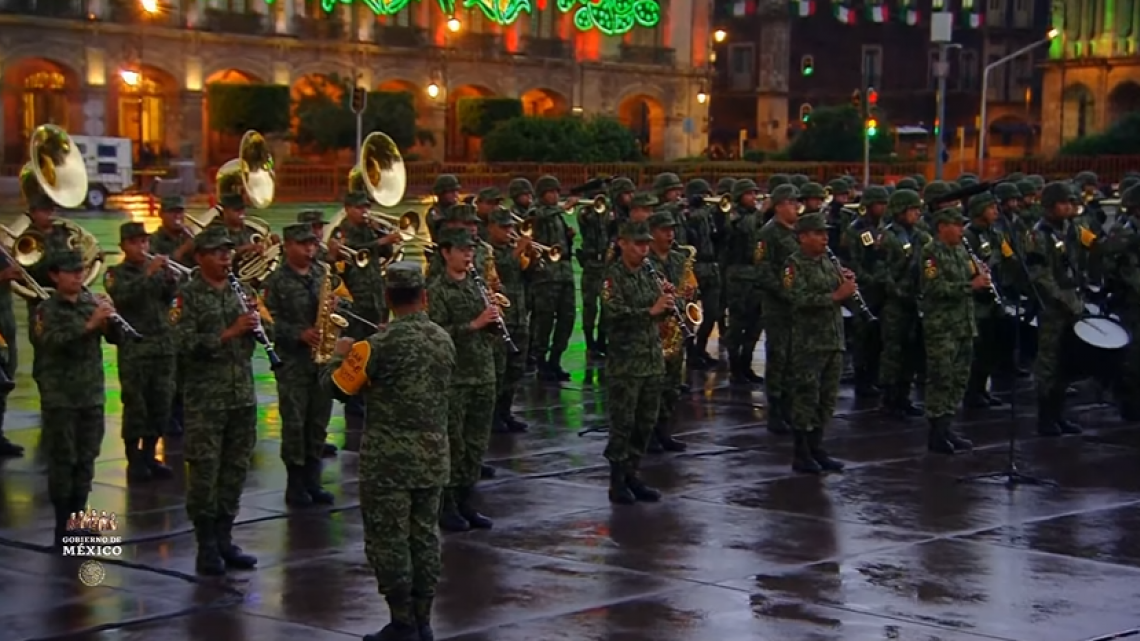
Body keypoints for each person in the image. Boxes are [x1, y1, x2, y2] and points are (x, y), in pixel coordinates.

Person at [324, 262, 455, 641]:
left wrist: (339, 354)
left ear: (388, 299)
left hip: (388, 464)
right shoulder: (443, 339)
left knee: (389, 541)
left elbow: (337, 388)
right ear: (424, 297)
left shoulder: (377, 346)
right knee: (425, 537)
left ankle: (401, 621)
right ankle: (423, 620)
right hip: (433, 458)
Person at [173, 226, 269, 575]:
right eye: (217, 252)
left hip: (241, 395)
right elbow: (182, 343)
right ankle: (206, 545)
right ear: (200, 257)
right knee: (205, 472)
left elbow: (257, 338)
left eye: (228, 251)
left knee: (235, 469)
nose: (225, 257)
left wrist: (256, 324)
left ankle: (225, 537)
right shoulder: (187, 295)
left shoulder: (240, 290)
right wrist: (229, 332)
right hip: (206, 400)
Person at [35, 250, 122, 547]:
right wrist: (89, 325)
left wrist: (110, 319)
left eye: (80, 271)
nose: (78, 276)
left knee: (86, 459)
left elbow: (116, 339)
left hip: (90, 394)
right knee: (63, 461)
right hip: (61, 397)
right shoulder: (46, 309)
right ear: (54, 275)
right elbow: (49, 342)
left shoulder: (90, 303)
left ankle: (78, 520)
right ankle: (62, 527)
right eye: (71, 272)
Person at [262, 223, 340, 506]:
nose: (310, 248)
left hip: (320, 362)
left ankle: (313, 481)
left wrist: (334, 310)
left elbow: (340, 305)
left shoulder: (322, 273)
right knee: (295, 423)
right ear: (287, 246)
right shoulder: (276, 281)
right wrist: (298, 334)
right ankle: (295, 484)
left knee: (318, 423)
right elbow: (267, 321)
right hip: (293, 363)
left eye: (312, 244)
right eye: (303, 244)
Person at [427, 229, 497, 532]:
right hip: (456, 378)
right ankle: (447, 504)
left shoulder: (476, 284)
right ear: (446, 253)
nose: (469, 254)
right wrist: (475, 324)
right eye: (462, 249)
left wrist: (494, 321)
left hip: (483, 373)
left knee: (476, 444)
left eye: (471, 249)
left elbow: (486, 327)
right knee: (453, 445)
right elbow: (436, 333)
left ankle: (467, 500)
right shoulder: (437, 290)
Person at [603, 221, 672, 504]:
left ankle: (633, 473)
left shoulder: (649, 272)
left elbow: (659, 311)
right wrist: (650, 311)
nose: (644, 250)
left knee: (645, 422)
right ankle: (617, 480)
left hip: (652, 360)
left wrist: (668, 302)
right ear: (623, 243)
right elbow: (613, 313)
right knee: (624, 423)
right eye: (638, 244)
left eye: (646, 244)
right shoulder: (613, 277)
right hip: (626, 364)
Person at [104, 222, 178, 482]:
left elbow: (170, 298)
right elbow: (124, 297)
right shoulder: (115, 273)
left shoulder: (155, 270)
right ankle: (133, 458)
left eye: (144, 241)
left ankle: (149, 454)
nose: (141, 247)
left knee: (161, 404)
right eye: (134, 242)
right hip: (135, 349)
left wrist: (170, 279)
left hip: (163, 346)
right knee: (136, 405)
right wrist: (149, 272)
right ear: (123, 246)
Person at [782, 213, 853, 474]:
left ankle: (817, 446)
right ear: (803, 237)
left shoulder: (829, 261)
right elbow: (797, 298)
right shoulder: (794, 265)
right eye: (818, 233)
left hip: (833, 339)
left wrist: (847, 285)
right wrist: (835, 295)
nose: (825, 238)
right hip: (809, 342)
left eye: (826, 233)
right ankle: (801, 452)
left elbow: (841, 293)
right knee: (806, 397)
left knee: (827, 398)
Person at [921, 207, 990, 454]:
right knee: (941, 377)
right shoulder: (931, 253)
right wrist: (970, 286)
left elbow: (971, 275)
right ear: (942, 227)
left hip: (963, 324)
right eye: (956, 225)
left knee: (959, 378)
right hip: (943, 326)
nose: (961, 230)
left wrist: (981, 275)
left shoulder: (962, 249)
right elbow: (934, 288)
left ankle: (948, 425)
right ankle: (936, 432)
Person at [1025, 182, 1087, 436]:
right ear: (1049, 206)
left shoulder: (1069, 230)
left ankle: (1060, 414)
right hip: (1051, 307)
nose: (1068, 207)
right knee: (1049, 362)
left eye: (1070, 203)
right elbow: (1040, 274)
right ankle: (1046, 418)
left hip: (1072, 300)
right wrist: (1062, 299)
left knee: (1066, 360)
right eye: (1063, 203)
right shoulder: (1038, 235)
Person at [755, 184, 803, 433]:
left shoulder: (797, 231)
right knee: (778, 358)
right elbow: (763, 271)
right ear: (780, 205)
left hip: (797, 306)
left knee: (794, 359)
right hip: (778, 306)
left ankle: (789, 407)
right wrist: (786, 294)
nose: (796, 207)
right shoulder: (768, 233)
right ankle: (775, 411)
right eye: (792, 203)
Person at [878, 189, 929, 417]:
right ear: (900, 210)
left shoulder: (920, 236)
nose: (917, 213)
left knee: (911, 352)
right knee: (893, 351)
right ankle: (889, 399)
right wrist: (897, 292)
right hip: (895, 304)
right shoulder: (888, 237)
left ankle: (903, 396)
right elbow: (882, 271)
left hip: (915, 301)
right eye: (912, 209)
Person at [486, 208, 534, 432]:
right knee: (499, 369)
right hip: (501, 318)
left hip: (519, 314)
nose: (509, 232)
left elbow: (529, 275)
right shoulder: (488, 251)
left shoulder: (511, 249)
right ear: (491, 227)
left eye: (510, 227)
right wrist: (519, 249)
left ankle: (506, 411)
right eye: (504, 227)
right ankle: (493, 415)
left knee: (516, 368)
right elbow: (502, 268)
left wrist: (532, 256)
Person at [646, 212, 689, 452]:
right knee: (653, 386)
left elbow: (686, 289)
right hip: (653, 329)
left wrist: (687, 300)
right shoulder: (645, 261)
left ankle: (664, 431)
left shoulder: (679, 259)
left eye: (672, 229)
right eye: (664, 230)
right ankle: (648, 433)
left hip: (675, 328)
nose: (670, 234)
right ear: (651, 233)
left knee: (672, 386)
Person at [529, 175, 577, 382]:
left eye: (557, 191)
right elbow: (537, 217)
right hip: (546, 275)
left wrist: (569, 237)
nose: (555, 196)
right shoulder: (537, 212)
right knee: (545, 320)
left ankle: (555, 359)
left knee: (567, 317)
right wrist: (564, 208)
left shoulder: (557, 215)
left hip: (564, 272)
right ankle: (540, 361)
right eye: (551, 192)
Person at [961, 192, 1007, 409]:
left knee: (991, 348)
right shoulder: (968, 236)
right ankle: (972, 392)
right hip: (976, 301)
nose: (995, 212)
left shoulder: (993, 233)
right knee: (977, 350)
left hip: (992, 296)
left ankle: (981, 389)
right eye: (990, 208)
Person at [844, 186, 890, 398]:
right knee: (862, 337)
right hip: (864, 289)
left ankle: (874, 376)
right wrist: (868, 279)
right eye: (879, 204)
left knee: (877, 338)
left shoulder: (883, 227)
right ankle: (862, 379)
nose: (882, 208)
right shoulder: (856, 230)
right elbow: (852, 261)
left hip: (880, 288)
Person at [1102, 184, 1140, 420]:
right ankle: (1129, 403)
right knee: (1132, 356)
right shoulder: (1124, 232)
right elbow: (1127, 271)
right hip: (1130, 303)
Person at [722, 179, 765, 385]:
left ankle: (746, 365)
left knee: (755, 325)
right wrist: (762, 212)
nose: (754, 198)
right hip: (738, 275)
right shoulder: (734, 215)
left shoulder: (755, 216)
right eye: (749, 194)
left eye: (755, 193)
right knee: (737, 324)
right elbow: (745, 229)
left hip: (755, 274)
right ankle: (735, 368)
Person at [683, 178, 722, 369]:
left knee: (713, 312)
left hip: (712, 265)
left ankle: (701, 347)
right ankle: (691, 353)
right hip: (695, 266)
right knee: (690, 315)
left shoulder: (712, 214)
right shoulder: (688, 215)